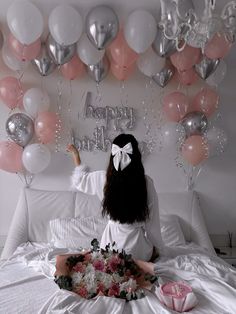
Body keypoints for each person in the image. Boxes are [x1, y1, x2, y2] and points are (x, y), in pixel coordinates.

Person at [67, 134, 164, 261]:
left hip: (110, 247)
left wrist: (76, 156)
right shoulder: (146, 183)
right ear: (136, 156)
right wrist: (158, 247)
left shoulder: (102, 178)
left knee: (109, 260)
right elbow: (153, 223)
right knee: (151, 252)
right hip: (137, 249)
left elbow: (80, 180)